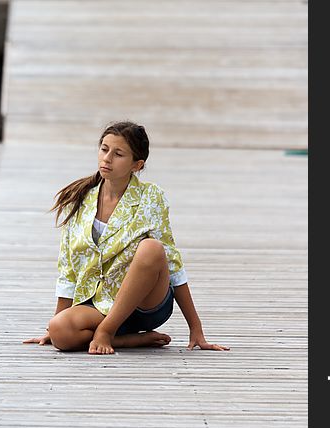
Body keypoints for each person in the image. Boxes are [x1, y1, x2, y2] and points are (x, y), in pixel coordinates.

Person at [23, 121, 229, 354]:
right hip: (98, 303)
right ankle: (128, 340)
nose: (107, 158)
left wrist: (196, 328)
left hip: (145, 305)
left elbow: (172, 261)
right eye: (104, 149)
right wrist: (54, 328)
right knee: (59, 330)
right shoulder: (80, 198)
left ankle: (106, 332)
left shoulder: (151, 196)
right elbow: (68, 268)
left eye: (118, 153)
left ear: (137, 165)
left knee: (152, 248)